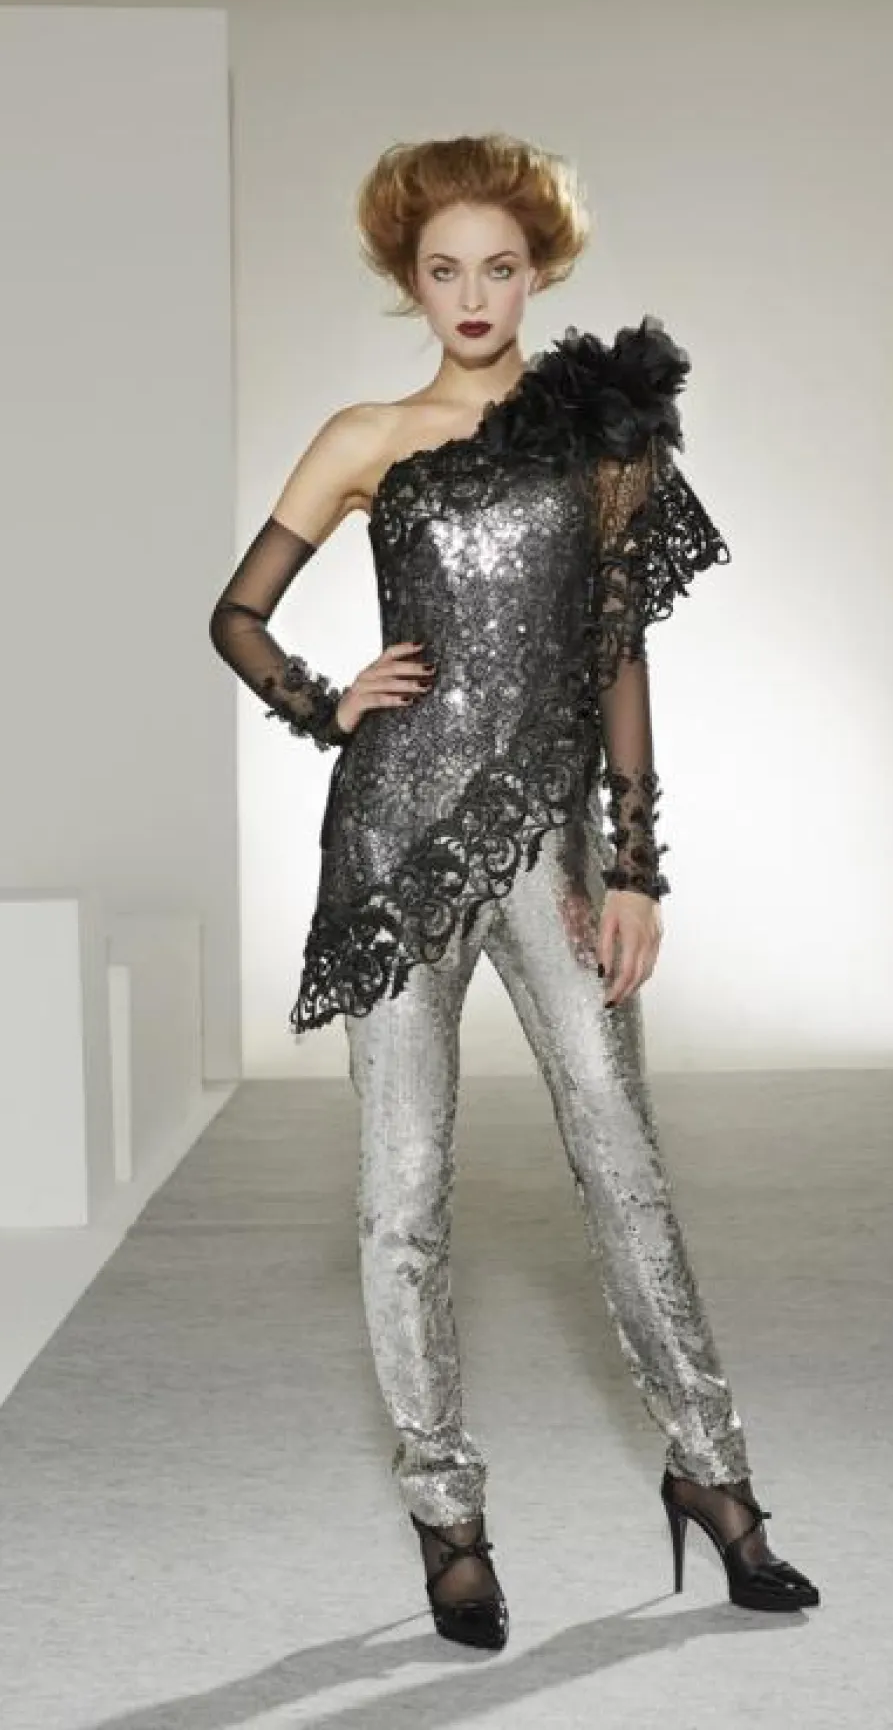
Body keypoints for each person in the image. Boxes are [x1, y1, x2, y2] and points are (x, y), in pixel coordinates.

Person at [209, 132, 820, 1650]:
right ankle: (448, 1516)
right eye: (444, 270)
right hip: (391, 852)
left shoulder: (596, 432)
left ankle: (714, 1475)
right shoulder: (367, 435)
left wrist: (636, 866)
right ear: (409, 281)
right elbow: (237, 613)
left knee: (624, 1166)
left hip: (549, 848)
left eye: (499, 266)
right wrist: (325, 702)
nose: (472, 294)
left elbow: (619, 652)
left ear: (538, 271)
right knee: (403, 1200)